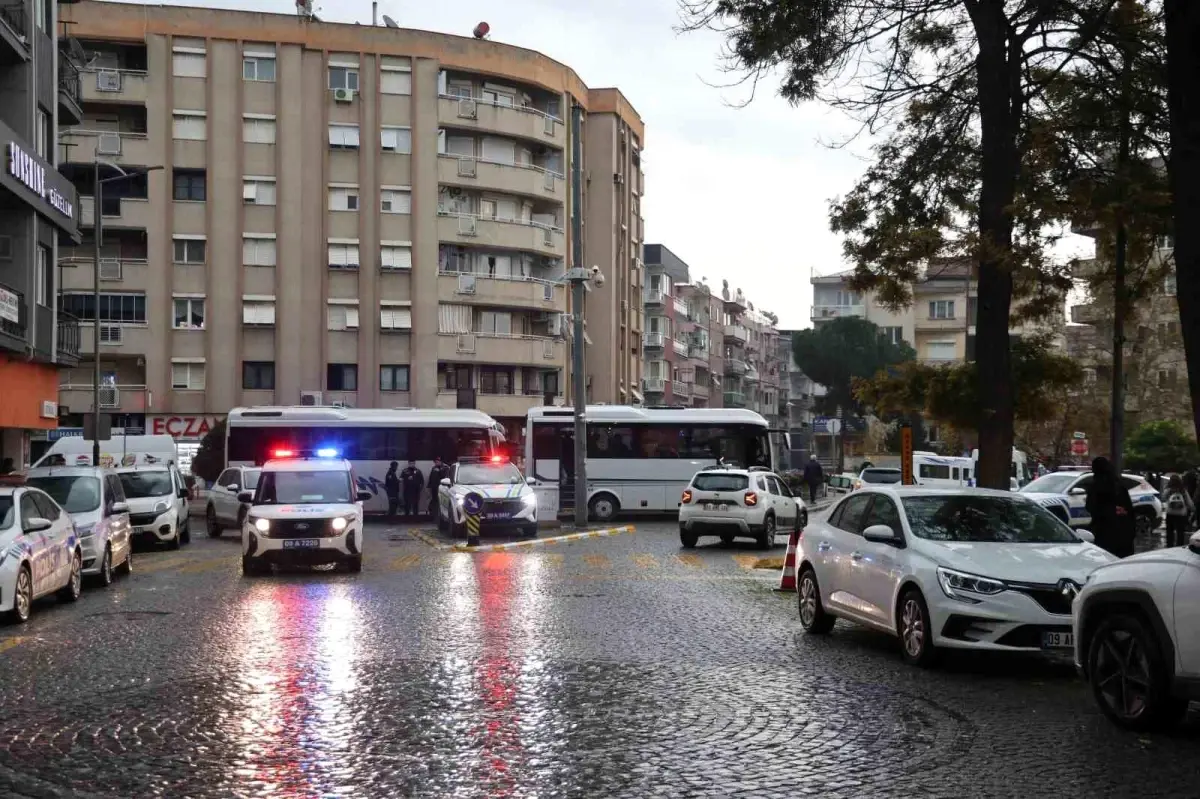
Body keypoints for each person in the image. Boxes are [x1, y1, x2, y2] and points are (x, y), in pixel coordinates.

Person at [1085, 456, 1135, 558]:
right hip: (1124, 532)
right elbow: (1129, 509)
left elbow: (1090, 507)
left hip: (1105, 532)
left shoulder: (1096, 486)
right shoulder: (1119, 485)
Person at [1163, 473, 1194, 548]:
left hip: (1170, 513)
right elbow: (1189, 501)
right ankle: (1179, 547)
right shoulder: (1183, 490)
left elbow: (1163, 497)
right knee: (1180, 533)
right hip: (1181, 514)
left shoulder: (1168, 490)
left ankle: (1169, 546)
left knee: (1169, 532)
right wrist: (1192, 508)